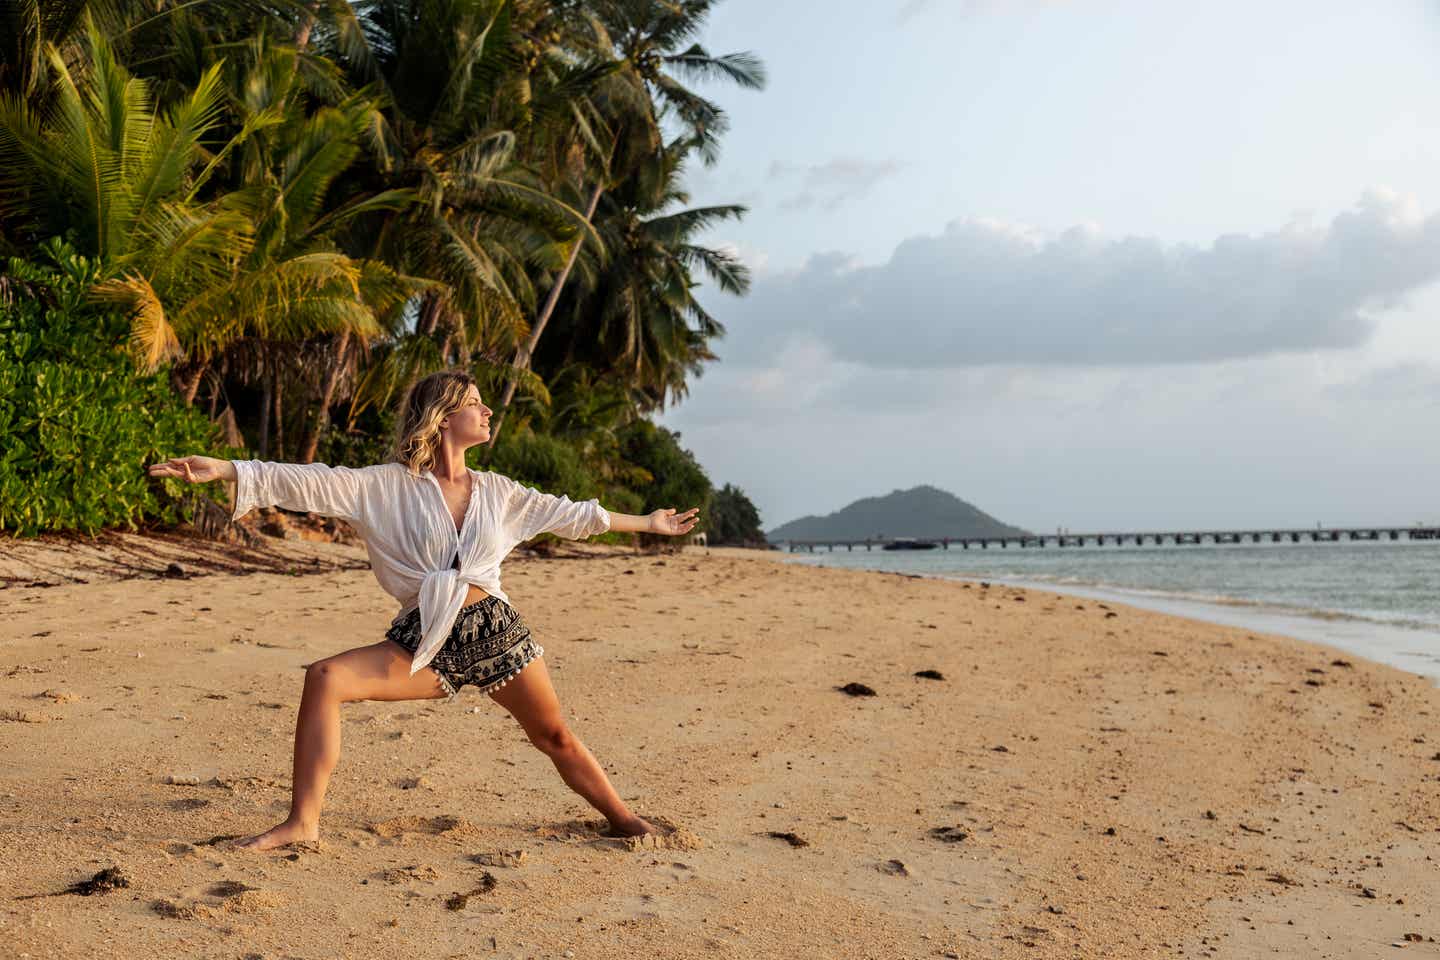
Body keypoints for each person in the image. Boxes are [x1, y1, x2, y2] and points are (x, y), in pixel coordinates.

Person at [147, 370, 699, 851]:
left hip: (494, 632)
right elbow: (307, 481)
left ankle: (624, 819)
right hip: (426, 637)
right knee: (325, 678)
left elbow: (576, 515)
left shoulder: (499, 492)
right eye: (475, 402)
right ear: (441, 417)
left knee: (553, 736)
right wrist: (224, 469)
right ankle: (302, 822)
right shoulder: (383, 486)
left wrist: (649, 524)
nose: (487, 410)